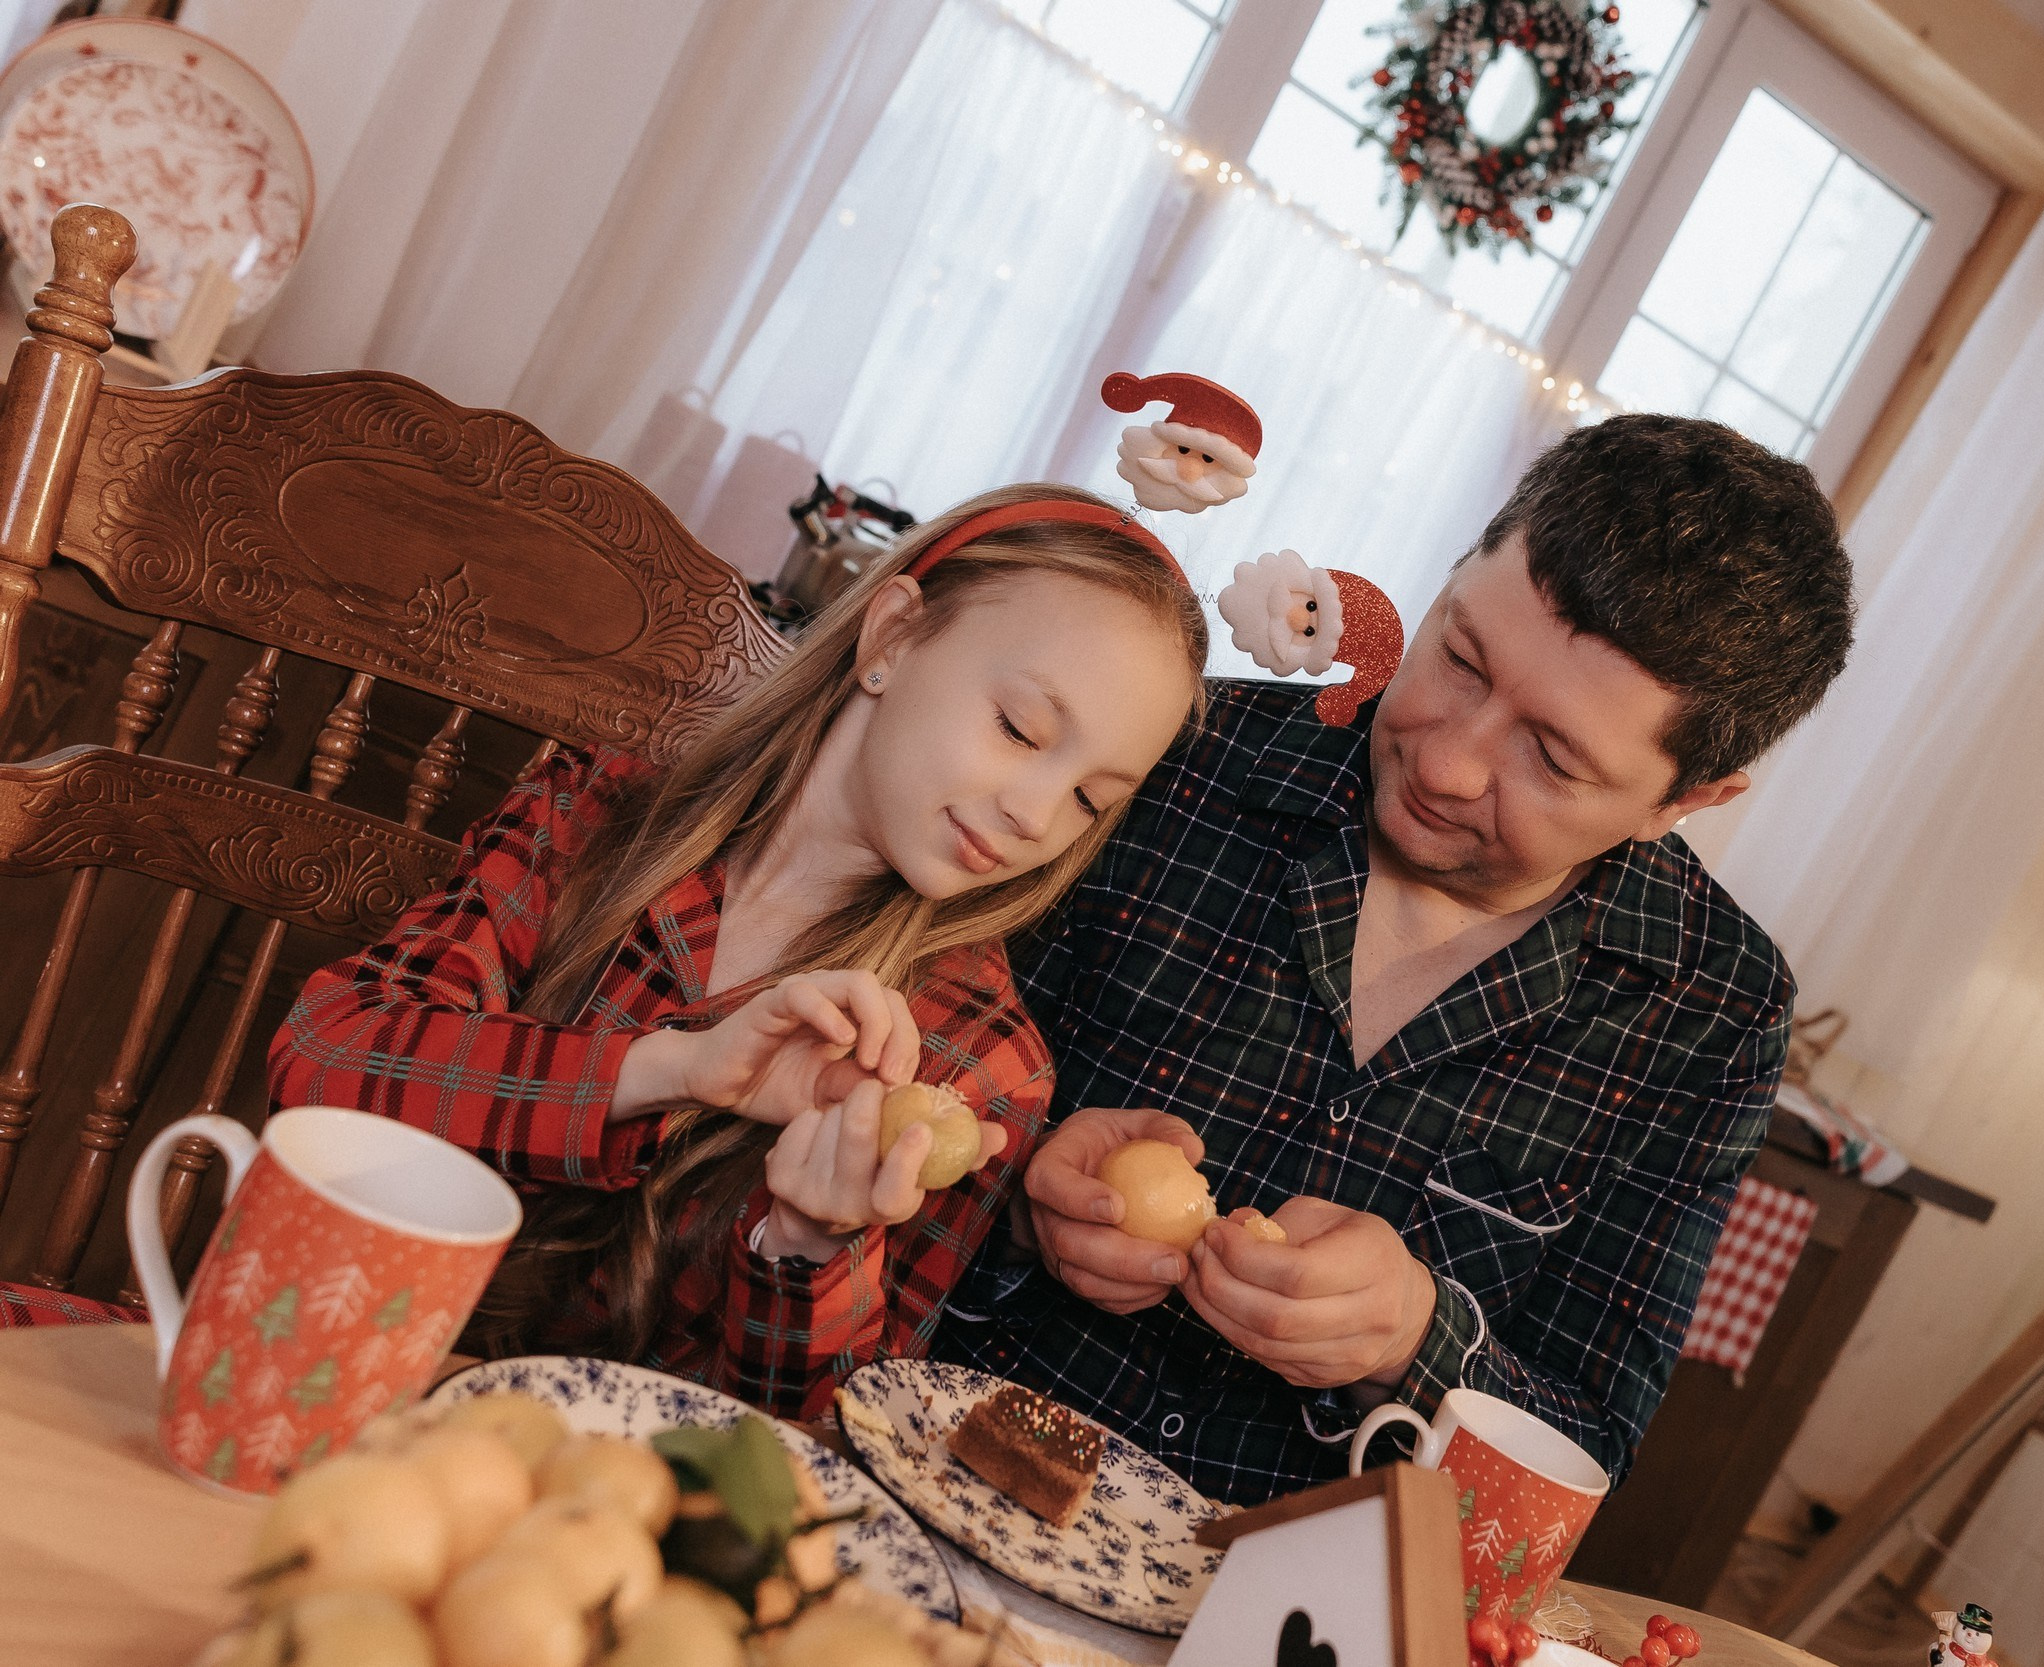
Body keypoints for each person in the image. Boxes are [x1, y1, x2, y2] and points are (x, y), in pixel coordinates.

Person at [935, 415, 1855, 1504]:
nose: (1449, 760)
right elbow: (876, 1108)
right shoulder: (1180, 749)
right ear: (1454, 570)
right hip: (935, 1459)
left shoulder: (1711, 1008)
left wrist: (1415, 1338)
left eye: (1552, 757)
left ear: (1685, 800)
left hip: (1271, 1584)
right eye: (1460, 659)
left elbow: (1584, 1449)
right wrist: (1010, 1195)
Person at [269, 483, 1207, 1419]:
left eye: (1090, 800)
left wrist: (810, 1243)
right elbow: (323, 1060)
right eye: (1020, 729)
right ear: (891, 637)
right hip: (319, 1377)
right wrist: (669, 1069)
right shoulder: (589, 816)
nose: (1037, 815)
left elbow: (821, 1443)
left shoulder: (981, 1065)